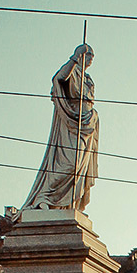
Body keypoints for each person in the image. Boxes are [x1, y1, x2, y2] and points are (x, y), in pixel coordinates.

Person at [21, 44, 99, 212]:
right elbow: (59, 78)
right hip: (70, 121)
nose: (91, 58)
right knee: (70, 163)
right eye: (88, 54)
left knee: (80, 168)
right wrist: (74, 58)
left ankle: (68, 203)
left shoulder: (88, 78)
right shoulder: (72, 71)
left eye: (93, 55)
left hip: (87, 125)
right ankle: (44, 197)